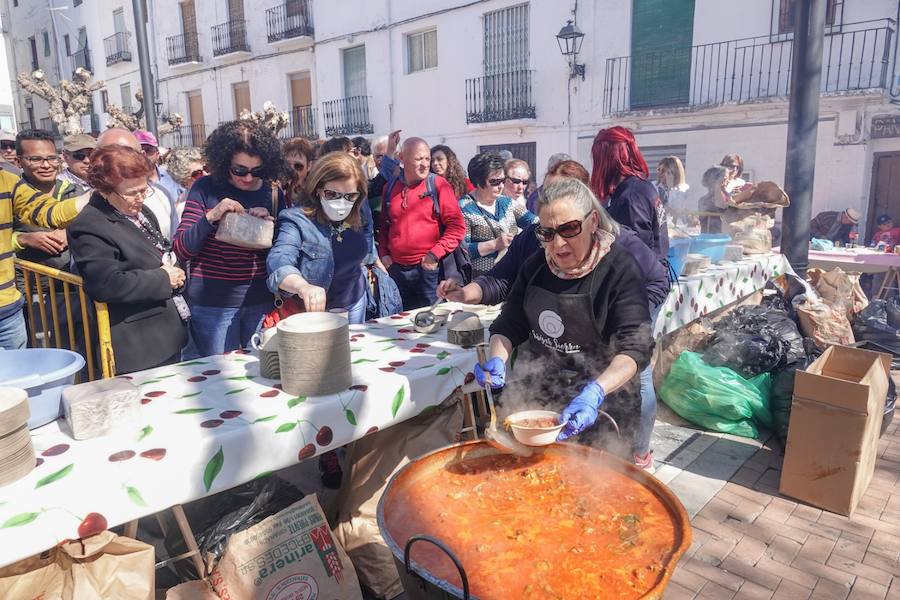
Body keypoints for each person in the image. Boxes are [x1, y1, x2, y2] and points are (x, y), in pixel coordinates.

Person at [440, 162, 667, 469]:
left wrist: (595, 391)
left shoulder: (620, 268)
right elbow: (510, 323)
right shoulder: (536, 265)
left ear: (592, 221)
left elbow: (634, 348)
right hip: (544, 393)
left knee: (599, 491)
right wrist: (497, 360)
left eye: (569, 229)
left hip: (604, 403)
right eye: (547, 233)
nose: (557, 243)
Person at [67, 145, 188, 373]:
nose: (141, 198)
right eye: (132, 193)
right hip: (136, 343)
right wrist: (163, 278)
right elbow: (104, 284)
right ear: (103, 190)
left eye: (144, 190)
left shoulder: (141, 212)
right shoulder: (89, 225)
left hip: (165, 331)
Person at [173, 120, 287, 356]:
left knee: (260, 373)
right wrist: (212, 216)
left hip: (260, 301)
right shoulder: (205, 188)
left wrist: (269, 228)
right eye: (239, 170)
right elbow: (182, 248)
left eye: (256, 171)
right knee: (220, 379)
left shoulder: (273, 193)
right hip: (212, 305)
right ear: (225, 163)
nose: (247, 178)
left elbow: (282, 251)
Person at [267, 152, 381, 324]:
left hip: (355, 300)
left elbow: (367, 235)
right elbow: (279, 260)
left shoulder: (357, 211)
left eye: (349, 196)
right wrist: (303, 287)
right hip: (313, 313)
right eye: (332, 194)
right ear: (318, 189)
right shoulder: (296, 219)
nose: (341, 202)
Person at [377, 137, 466, 309]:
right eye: (419, 159)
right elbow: (384, 226)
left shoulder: (438, 185)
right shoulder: (389, 188)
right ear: (402, 158)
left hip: (428, 271)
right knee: (400, 323)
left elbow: (457, 227)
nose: (425, 164)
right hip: (397, 270)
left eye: (428, 159)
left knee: (430, 322)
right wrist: (384, 254)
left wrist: (433, 255)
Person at [591, 126, 668, 261]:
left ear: (605, 161)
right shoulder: (644, 187)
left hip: (642, 279)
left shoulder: (629, 199)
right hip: (657, 271)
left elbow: (633, 257)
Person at [12, 129, 82, 274]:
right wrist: (24, 239)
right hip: (33, 289)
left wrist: (70, 232)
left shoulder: (75, 192)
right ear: (18, 162)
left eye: (52, 158)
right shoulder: (10, 196)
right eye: (36, 159)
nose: (46, 165)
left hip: (78, 287)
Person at [459, 152, 537, 277]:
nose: (501, 186)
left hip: (512, 275)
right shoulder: (464, 208)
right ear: (478, 182)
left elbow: (534, 222)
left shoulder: (507, 202)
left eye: (502, 180)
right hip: (482, 281)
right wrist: (494, 244)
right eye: (494, 182)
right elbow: (463, 251)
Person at [135, 130, 181, 205]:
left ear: (157, 153)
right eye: (138, 151)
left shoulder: (173, 176)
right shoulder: (128, 183)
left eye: (148, 150)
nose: (144, 154)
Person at [164, 147, 206, 220]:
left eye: (206, 168)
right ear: (184, 180)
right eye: (198, 174)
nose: (206, 174)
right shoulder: (184, 208)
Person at [282, 137, 316, 206]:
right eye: (287, 165)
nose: (291, 170)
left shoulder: (315, 194)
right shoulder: (277, 192)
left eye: (298, 166)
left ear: (309, 166)